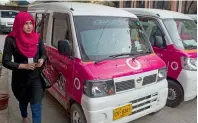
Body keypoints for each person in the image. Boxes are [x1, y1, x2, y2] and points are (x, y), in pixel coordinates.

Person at [2, 12, 46, 123]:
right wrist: (24, 66)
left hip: (36, 78)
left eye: (31, 23)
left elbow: (44, 54)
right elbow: (5, 62)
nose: (29, 26)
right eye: (25, 24)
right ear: (19, 24)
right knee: (23, 101)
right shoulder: (11, 40)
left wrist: (42, 60)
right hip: (20, 79)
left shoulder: (37, 38)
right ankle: (24, 116)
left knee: (36, 105)